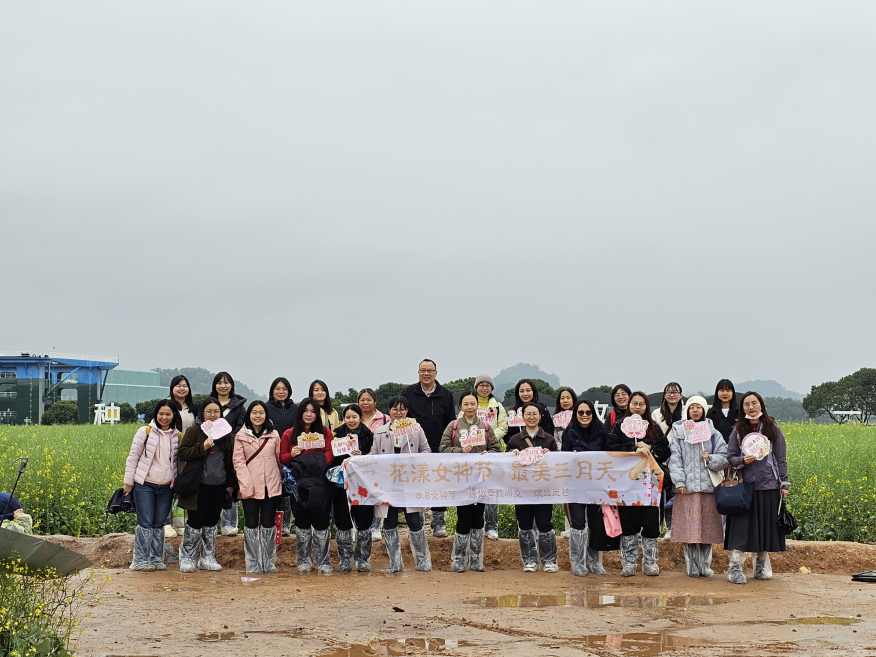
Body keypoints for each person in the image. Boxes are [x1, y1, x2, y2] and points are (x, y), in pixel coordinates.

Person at [724, 392, 789, 585]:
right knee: (740, 529)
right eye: (746, 404)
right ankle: (735, 568)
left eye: (754, 403)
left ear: (761, 405)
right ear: (742, 408)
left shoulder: (772, 429)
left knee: (764, 528)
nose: (751, 407)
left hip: (768, 485)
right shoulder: (738, 431)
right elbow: (731, 458)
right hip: (744, 486)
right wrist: (742, 460)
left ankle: (760, 567)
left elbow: (781, 458)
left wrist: (784, 483)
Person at [606, 391, 670, 577]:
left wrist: (650, 448)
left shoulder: (653, 427)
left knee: (651, 523)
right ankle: (629, 562)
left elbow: (665, 450)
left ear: (646, 407)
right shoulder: (619, 427)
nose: (637, 407)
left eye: (642, 404)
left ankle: (650, 562)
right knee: (629, 522)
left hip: (650, 485)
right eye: (634, 403)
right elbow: (610, 448)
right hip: (627, 485)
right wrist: (632, 448)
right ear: (629, 405)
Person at [439, 391, 502, 573]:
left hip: (481, 478)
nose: (469, 407)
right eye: (465, 404)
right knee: (463, 517)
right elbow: (443, 448)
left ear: (477, 406)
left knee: (478, 518)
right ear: (460, 406)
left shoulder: (485, 426)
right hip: (461, 478)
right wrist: (460, 451)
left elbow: (496, 448)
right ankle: (459, 559)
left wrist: (488, 453)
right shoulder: (453, 426)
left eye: (472, 403)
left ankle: (476, 559)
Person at [371, 395, 433, 572]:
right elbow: (373, 454)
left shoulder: (416, 429)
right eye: (395, 409)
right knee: (390, 522)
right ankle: (395, 563)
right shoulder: (380, 432)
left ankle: (423, 561)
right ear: (389, 411)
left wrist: (417, 458)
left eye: (402, 409)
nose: (399, 413)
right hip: (388, 483)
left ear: (407, 411)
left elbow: (426, 450)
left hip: (409, 482)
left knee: (414, 521)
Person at [668, 395, 728, 578]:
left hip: (708, 489)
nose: (695, 410)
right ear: (687, 410)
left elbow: (724, 457)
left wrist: (710, 458)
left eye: (698, 407)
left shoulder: (713, 433)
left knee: (707, 528)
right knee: (689, 528)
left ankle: (705, 564)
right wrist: (679, 481)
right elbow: (675, 459)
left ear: (704, 410)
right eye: (692, 407)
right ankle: (691, 563)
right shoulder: (680, 433)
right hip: (687, 489)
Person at [177, 398, 237, 573]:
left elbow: (229, 462)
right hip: (199, 484)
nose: (212, 415)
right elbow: (182, 453)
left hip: (219, 484)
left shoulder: (225, 433)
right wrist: (202, 446)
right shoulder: (194, 430)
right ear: (202, 413)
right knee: (195, 521)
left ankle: (207, 558)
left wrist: (230, 484)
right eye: (208, 411)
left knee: (211, 522)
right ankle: (188, 557)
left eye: (216, 411)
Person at [562, 399, 619, 576]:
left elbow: (610, 455)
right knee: (578, 523)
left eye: (588, 412)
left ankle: (594, 561)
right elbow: (563, 458)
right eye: (581, 412)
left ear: (593, 414)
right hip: (576, 486)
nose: (584, 415)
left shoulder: (602, 432)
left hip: (597, 485)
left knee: (596, 522)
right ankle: (578, 562)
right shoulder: (569, 433)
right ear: (576, 414)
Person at [123, 399, 180, 572]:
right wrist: (128, 483)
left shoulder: (177, 436)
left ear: (174, 415)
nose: (164, 417)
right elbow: (133, 457)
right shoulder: (145, 431)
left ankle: (156, 559)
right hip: (145, 485)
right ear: (156, 414)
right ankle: (140, 560)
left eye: (168, 414)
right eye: (161, 413)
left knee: (159, 523)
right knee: (145, 522)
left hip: (166, 487)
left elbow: (179, 464)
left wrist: (178, 486)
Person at [279, 397, 335, 574]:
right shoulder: (289, 434)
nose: (309, 414)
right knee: (302, 521)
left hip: (319, 481)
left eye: (313, 411)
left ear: (317, 414)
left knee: (321, 521)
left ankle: (323, 561)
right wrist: (292, 454)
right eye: (305, 411)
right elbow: (283, 457)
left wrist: (317, 465)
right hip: (299, 482)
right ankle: (304, 560)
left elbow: (330, 452)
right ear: (300, 413)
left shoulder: (325, 432)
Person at [402, 359, 456, 538]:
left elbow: (450, 423)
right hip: (413, 449)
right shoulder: (408, 393)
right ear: (418, 373)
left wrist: (448, 446)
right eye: (423, 370)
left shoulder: (445, 394)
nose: (426, 374)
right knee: (415, 484)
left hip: (438, 447)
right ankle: (416, 524)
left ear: (435, 373)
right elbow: (402, 419)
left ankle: (438, 523)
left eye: (430, 370)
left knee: (439, 484)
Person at [506, 402, 559, 573]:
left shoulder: (549, 439)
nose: (531, 417)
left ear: (540, 416)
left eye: (535, 414)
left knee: (545, 524)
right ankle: (529, 560)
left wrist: (551, 456)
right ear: (522, 417)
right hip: (522, 491)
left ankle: (549, 560)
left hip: (543, 490)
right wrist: (510, 455)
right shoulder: (515, 440)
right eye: (528, 414)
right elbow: (506, 466)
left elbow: (557, 465)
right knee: (525, 524)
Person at [232, 401, 282, 574]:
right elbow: (238, 462)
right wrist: (245, 484)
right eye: (254, 412)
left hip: (271, 485)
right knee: (251, 524)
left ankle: (268, 561)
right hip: (249, 485)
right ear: (249, 414)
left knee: (268, 523)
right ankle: (252, 563)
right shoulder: (241, 436)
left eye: (261, 412)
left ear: (266, 415)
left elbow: (279, 459)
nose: (258, 416)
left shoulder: (274, 434)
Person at [330, 404, 375, 571]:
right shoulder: (337, 436)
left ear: (360, 418)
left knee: (364, 520)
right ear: (344, 419)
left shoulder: (369, 436)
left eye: (354, 417)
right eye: (348, 417)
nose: (351, 420)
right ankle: (345, 559)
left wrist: (363, 455)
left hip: (364, 486)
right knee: (343, 521)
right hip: (342, 486)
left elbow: (375, 458)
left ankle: (362, 558)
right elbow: (331, 460)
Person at [471, 373, 509, 542]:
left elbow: (503, 427)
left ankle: (492, 526)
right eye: (481, 385)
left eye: (487, 385)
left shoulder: (498, 406)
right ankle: (475, 524)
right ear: (476, 387)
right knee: (475, 488)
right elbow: (462, 424)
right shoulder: (470, 403)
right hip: (473, 452)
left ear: (491, 388)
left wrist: (489, 438)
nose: (484, 388)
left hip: (492, 451)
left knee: (492, 489)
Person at [163, 375, 196, 557]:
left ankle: (180, 523)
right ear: (172, 388)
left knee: (184, 485)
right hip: (171, 451)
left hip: (189, 453)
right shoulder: (167, 405)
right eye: (178, 385)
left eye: (185, 385)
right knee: (169, 483)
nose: (182, 388)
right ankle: (166, 523)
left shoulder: (193, 408)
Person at [212, 372, 248, 536]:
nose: (223, 386)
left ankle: (229, 524)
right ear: (215, 385)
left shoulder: (239, 407)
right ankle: (211, 522)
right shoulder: (209, 404)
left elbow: (240, 428)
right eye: (219, 383)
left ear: (231, 385)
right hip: (211, 451)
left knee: (230, 484)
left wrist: (225, 440)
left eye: (226, 382)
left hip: (231, 451)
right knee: (211, 483)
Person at [357, 388, 391, 542]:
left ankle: (376, 526)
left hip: (379, 464)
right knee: (362, 494)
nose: (365, 402)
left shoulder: (385, 419)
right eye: (362, 400)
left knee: (378, 493)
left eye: (369, 399)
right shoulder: (352, 417)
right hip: (359, 466)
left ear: (375, 402)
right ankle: (360, 526)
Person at [266, 377, 297, 537]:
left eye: (284, 389)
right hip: (271, 453)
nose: (281, 391)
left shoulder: (296, 408)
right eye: (277, 388)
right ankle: (272, 523)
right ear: (272, 391)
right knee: (274, 488)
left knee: (289, 489)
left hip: (291, 453)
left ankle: (286, 524)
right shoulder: (266, 408)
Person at [652, 382, 684, 538]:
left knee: (676, 493)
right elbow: (654, 436)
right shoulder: (656, 414)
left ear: (681, 395)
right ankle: (661, 526)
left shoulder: (686, 412)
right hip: (662, 458)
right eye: (669, 392)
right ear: (664, 395)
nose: (672, 395)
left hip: (680, 458)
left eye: (675, 392)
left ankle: (674, 527)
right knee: (661, 492)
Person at [553, 386, 578, 538]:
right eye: (562, 398)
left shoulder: (580, 415)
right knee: (566, 496)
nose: (565, 400)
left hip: (579, 462)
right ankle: (569, 526)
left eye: (568, 397)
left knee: (579, 495)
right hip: (563, 461)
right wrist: (562, 452)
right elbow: (555, 439)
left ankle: (581, 526)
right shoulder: (556, 419)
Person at [506, 379, 555, 444]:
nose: (525, 394)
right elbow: (507, 434)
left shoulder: (543, 410)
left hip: (540, 448)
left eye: (528, 390)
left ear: (533, 392)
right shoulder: (513, 413)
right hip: (518, 448)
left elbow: (549, 430)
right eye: (521, 391)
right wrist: (517, 444)